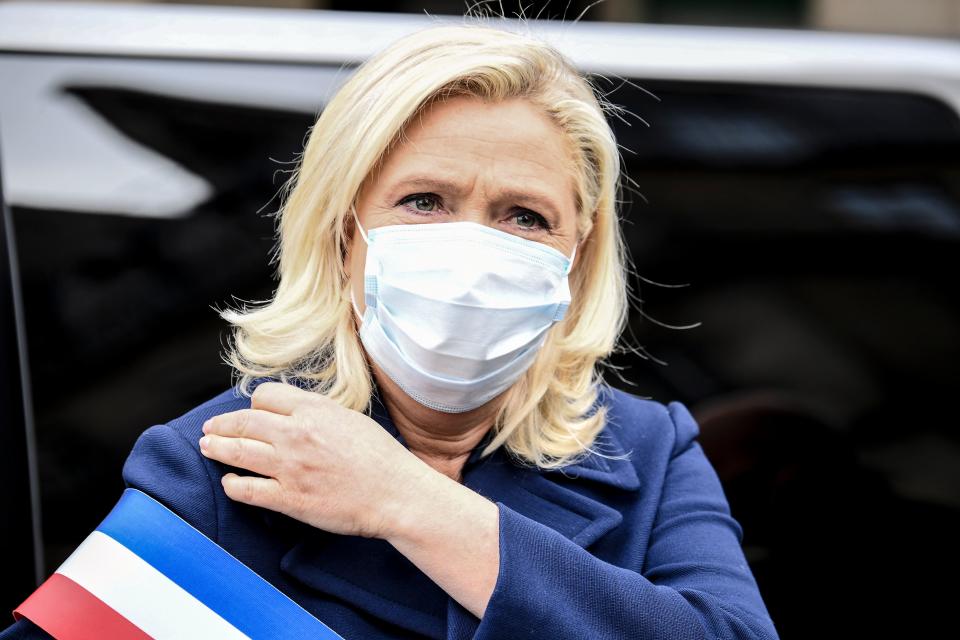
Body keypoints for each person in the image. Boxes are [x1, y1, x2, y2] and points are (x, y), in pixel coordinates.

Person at [3, 19, 779, 640]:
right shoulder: (222, 460)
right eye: (424, 201)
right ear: (346, 237)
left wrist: (407, 501)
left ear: (576, 258)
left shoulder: (647, 451)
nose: (475, 248)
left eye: (525, 216)